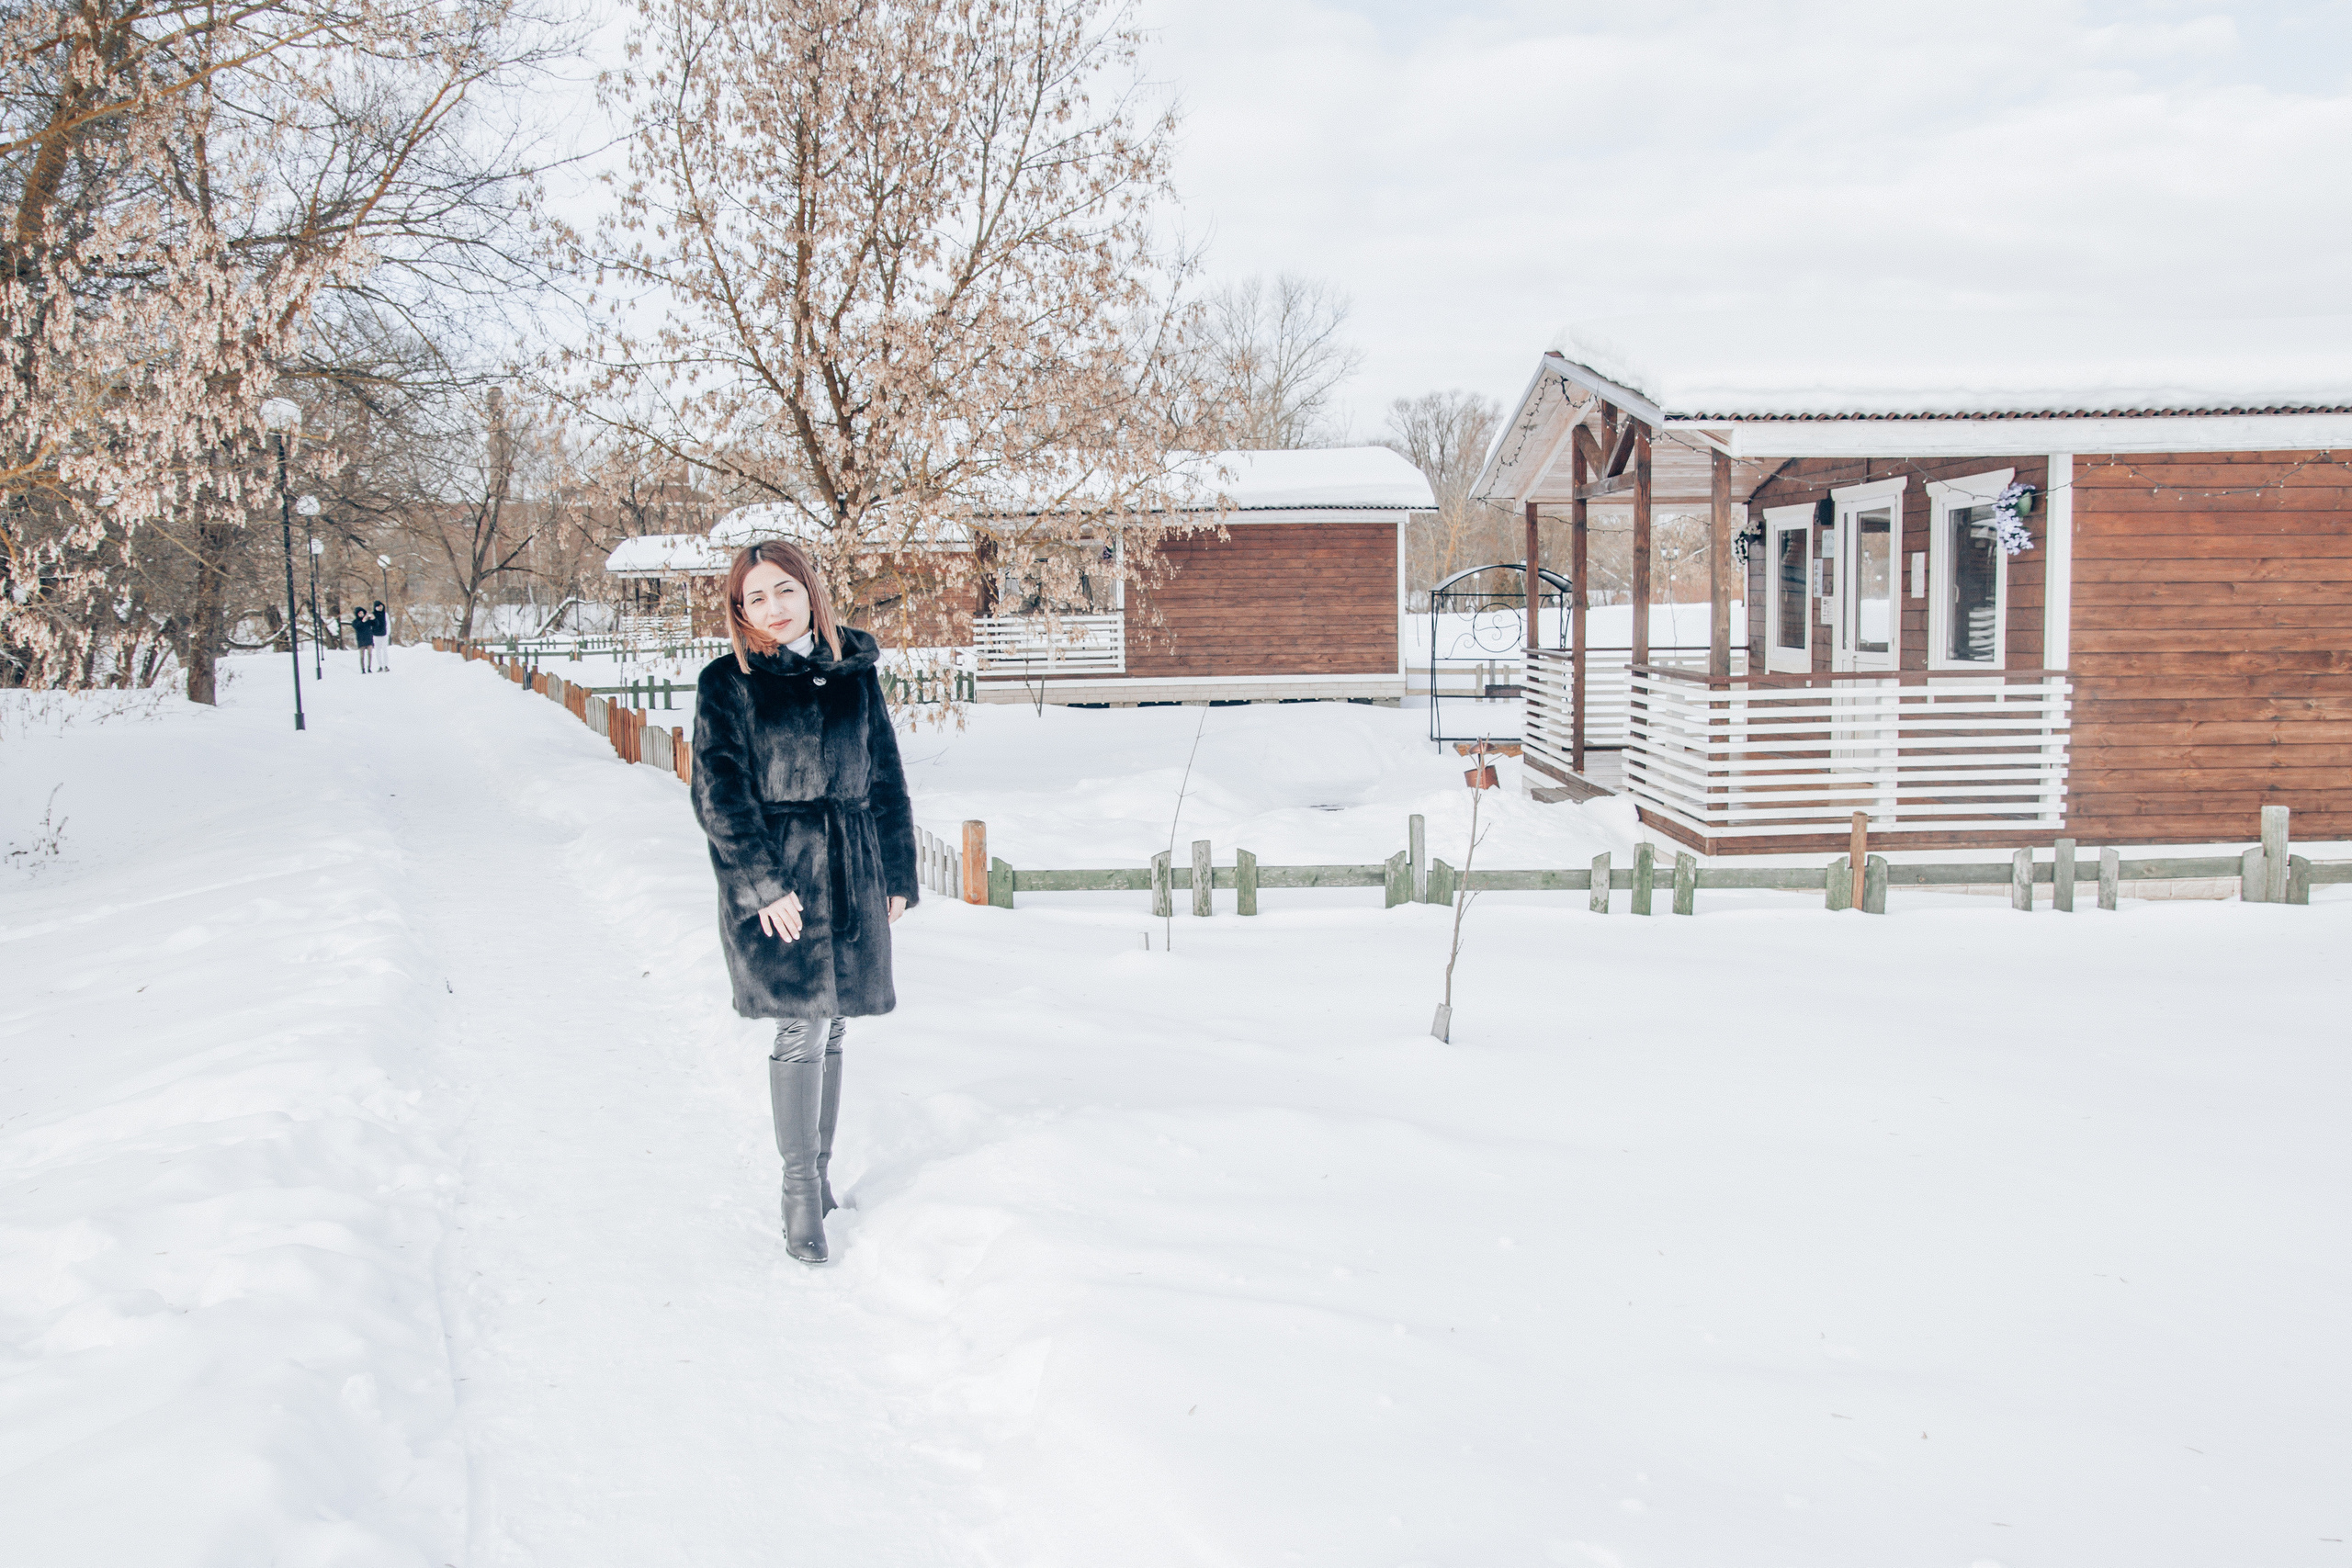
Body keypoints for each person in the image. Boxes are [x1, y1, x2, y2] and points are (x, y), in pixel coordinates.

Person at [691, 540, 918, 1265]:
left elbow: (885, 776)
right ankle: (797, 1194)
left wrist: (896, 872)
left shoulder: (855, 671)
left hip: (853, 867)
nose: (773, 609)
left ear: (808, 590)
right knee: (801, 1030)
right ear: (740, 610)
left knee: (837, 1026)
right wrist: (762, 885)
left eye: (783, 590)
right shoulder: (728, 682)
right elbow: (718, 796)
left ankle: (821, 1177)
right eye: (755, 598)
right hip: (779, 876)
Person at [351, 604, 375, 672]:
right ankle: (363, 669)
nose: (361, 614)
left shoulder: (368, 621)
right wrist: (362, 621)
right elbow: (357, 626)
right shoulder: (355, 622)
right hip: (361, 641)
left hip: (369, 640)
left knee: (370, 654)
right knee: (362, 656)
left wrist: (374, 619)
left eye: (362, 613)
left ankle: (369, 668)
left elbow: (376, 624)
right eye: (359, 613)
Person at [370, 601, 390, 671]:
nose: (380, 608)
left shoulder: (385, 615)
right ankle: (380, 665)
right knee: (378, 651)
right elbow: (371, 625)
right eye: (378, 607)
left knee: (385, 650)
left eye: (381, 606)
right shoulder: (373, 615)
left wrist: (387, 634)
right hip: (376, 636)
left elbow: (388, 624)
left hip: (384, 635)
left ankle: (386, 665)